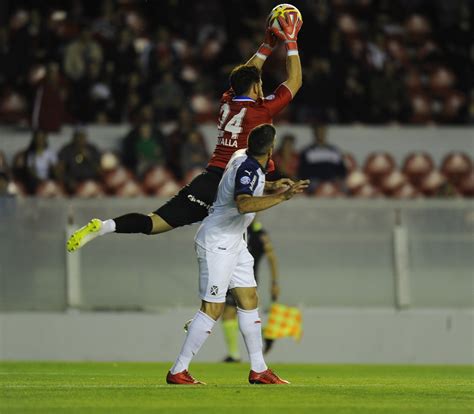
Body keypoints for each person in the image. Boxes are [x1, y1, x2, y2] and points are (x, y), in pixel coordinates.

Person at [67, 14, 303, 252]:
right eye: (259, 84)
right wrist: (290, 41)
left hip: (209, 180)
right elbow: (294, 82)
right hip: (233, 184)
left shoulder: (226, 101)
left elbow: (246, 75)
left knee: (154, 223)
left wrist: (267, 46)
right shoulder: (261, 109)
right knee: (233, 248)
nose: (262, 87)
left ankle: (106, 226)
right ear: (255, 87)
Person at [166, 124, 309, 385]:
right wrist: (282, 196)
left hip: (235, 241)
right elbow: (243, 203)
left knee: (249, 298)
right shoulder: (249, 167)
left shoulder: (241, 155)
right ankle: (178, 370)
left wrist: (272, 184)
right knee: (213, 308)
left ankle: (259, 369)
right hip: (217, 242)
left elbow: (246, 184)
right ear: (271, 148)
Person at [222, 218, 279, 362]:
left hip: (246, 279)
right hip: (231, 278)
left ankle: (236, 354)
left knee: (234, 314)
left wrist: (274, 282)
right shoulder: (236, 229)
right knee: (236, 314)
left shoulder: (259, 234)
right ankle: (262, 337)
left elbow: (271, 257)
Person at [298, 123, 347, 193]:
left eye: (322, 132)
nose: (321, 134)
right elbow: (303, 171)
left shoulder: (334, 151)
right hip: (315, 181)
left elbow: (342, 169)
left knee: (344, 186)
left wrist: (338, 178)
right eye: (319, 132)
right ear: (315, 133)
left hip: (332, 180)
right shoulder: (307, 151)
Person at [57, 127, 102, 194]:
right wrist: (68, 180)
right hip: (72, 183)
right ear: (74, 137)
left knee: (91, 187)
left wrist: (89, 158)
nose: (80, 139)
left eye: (82, 136)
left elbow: (100, 171)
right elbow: (59, 170)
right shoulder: (66, 150)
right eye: (78, 136)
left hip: (91, 182)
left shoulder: (92, 149)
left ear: (86, 137)